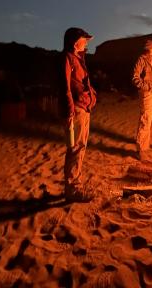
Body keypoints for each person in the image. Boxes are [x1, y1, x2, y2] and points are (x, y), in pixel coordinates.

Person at [60, 27, 97, 202]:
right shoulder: (67, 59)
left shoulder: (78, 58)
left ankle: (74, 185)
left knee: (80, 148)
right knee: (75, 149)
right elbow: (65, 87)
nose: (87, 43)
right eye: (84, 40)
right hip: (76, 110)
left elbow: (83, 82)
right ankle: (73, 190)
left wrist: (92, 95)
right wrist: (69, 111)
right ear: (76, 43)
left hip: (84, 107)